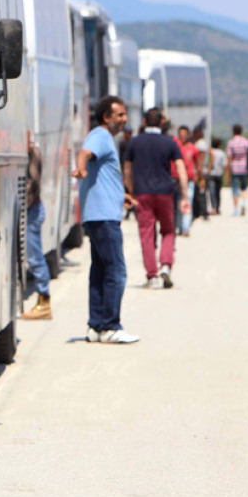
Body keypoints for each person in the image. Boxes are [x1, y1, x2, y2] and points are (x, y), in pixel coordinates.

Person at [71, 96, 140, 344]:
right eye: (119, 115)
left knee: (100, 271)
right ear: (106, 117)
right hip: (103, 217)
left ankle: (96, 326)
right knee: (116, 272)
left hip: (99, 213)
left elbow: (104, 175)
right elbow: (85, 154)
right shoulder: (100, 135)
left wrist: (121, 196)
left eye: (124, 114)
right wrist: (80, 168)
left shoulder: (105, 138)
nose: (124, 119)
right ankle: (110, 326)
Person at [124, 107, 188, 289]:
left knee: (146, 233)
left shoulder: (134, 143)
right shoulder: (169, 143)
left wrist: (130, 191)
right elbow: (181, 169)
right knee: (168, 230)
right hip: (165, 192)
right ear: (161, 122)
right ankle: (166, 265)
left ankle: (151, 275)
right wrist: (184, 195)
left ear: (144, 121)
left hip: (142, 193)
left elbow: (127, 170)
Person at [21, 137, 53, 319]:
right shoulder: (31, 151)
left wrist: (20, 204)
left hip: (32, 211)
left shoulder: (32, 152)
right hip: (32, 210)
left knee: (35, 258)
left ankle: (44, 303)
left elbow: (32, 184)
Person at [172, 125, 199, 236]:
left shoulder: (193, 148)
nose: (182, 136)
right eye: (180, 134)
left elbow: (197, 163)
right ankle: (177, 225)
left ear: (188, 135)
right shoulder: (174, 146)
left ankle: (185, 228)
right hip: (176, 179)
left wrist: (198, 174)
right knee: (177, 204)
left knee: (187, 202)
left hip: (189, 180)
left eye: (184, 134)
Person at [227, 124, 248, 216]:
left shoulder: (231, 142)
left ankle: (236, 209)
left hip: (235, 167)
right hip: (244, 167)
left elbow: (229, 157)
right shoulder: (246, 142)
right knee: (244, 188)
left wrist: (228, 170)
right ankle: (243, 204)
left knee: (235, 189)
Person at [206, 137, 228, 215]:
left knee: (212, 192)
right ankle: (217, 208)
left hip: (211, 174)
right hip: (219, 174)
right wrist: (227, 176)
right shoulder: (222, 153)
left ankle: (214, 208)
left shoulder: (210, 152)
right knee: (218, 192)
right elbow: (225, 165)